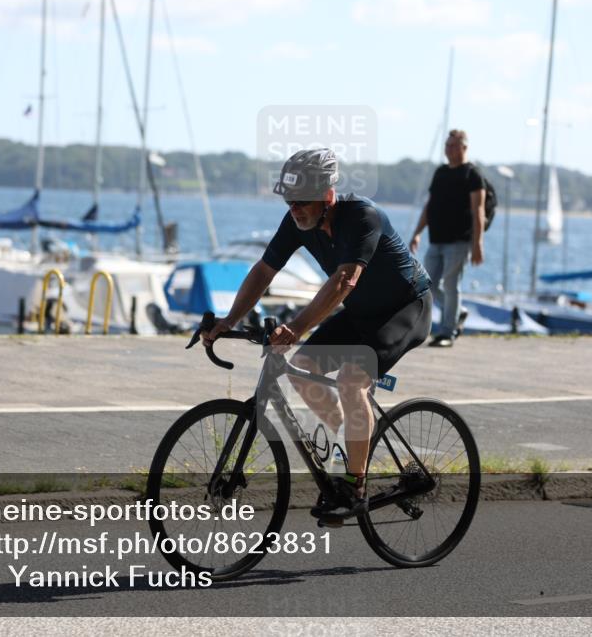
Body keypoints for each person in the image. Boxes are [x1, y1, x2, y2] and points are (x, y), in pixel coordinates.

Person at [203, 148, 432, 522]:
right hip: (360, 312)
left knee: (351, 381)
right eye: (289, 201)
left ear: (327, 195)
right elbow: (264, 271)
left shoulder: (362, 216)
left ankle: (354, 485)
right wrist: (229, 320)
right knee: (300, 368)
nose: (295, 210)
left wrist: (296, 327)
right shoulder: (297, 221)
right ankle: (353, 445)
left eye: (302, 202)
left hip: (405, 308)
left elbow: (344, 281)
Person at [409, 129, 485, 347]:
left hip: (460, 241)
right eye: (447, 145)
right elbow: (429, 206)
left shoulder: (472, 175)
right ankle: (458, 312)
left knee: (452, 285)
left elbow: (478, 210)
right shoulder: (440, 172)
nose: (449, 150)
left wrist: (477, 243)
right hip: (436, 239)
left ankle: (447, 333)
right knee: (427, 285)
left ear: (464, 147)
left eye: (453, 146)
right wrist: (417, 233)